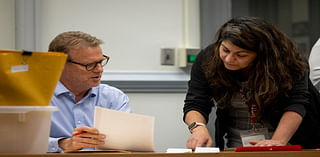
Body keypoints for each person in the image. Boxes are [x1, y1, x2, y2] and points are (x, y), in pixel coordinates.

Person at [183, 16, 320, 150]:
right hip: (236, 145)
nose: (229, 59)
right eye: (225, 50)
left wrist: (277, 142)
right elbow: (196, 102)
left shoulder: (289, 62)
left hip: (290, 144)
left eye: (241, 55)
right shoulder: (208, 60)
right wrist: (198, 128)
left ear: (262, 55)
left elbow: (296, 105)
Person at [47, 31, 130, 152]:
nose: (99, 70)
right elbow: (19, 143)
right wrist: (61, 144)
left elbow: (127, 142)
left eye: (101, 62)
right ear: (59, 64)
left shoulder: (114, 98)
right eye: (90, 65)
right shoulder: (36, 97)